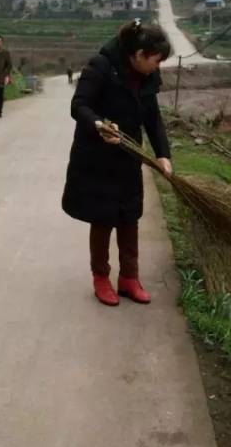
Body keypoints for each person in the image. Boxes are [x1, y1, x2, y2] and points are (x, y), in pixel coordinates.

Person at [62, 19, 172, 306]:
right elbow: (79, 106)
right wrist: (98, 124)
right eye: (155, 61)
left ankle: (129, 279)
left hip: (129, 154)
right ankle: (101, 278)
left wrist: (163, 154)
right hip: (97, 156)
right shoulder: (101, 66)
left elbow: (152, 118)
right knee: (103, 219)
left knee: (129, 217)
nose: (157, 67)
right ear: (138, 55)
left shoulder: (147, 77)